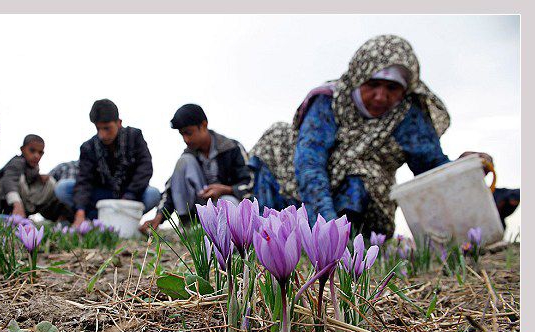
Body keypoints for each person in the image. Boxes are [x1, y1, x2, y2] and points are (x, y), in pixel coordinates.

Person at [250, 34, 518, 237]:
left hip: (362, 189)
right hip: (303, 181)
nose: (381, 96)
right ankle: (281, 237)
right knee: (279, 138)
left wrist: (463, 167)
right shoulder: (330, 101)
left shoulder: (407, 114)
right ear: (358, 78)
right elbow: (310, 164)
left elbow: (430, 167)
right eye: (373, 85)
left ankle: (353, 240)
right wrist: (326, 228)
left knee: (364, 173)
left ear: (405, 90)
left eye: (392, 88)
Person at [139, 104, 253, 233]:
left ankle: (227, 236)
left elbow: (249, 183)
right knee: (184, 161)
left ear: (203, 125)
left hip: (223, 204)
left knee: (229, 202)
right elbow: (172, 189)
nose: (186, 139)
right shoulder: (188, 155)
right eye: (182, 134)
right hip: (198, 210)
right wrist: (158, 217)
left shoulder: (232, 148)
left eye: (189, 133)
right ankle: (187, 225)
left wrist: (225, 189)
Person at [55, 99, 161, 227]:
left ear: (119, 123)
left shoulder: (134, 137)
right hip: (101, 197)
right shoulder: (88, 147)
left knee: (153, 194)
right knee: (63, 188)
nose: (102, 135)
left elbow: (145, 168)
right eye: (98, 128)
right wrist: (80, 211)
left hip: (129, 195)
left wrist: (129, 195)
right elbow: (84, 180)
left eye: (107, 128)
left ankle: (126, 220)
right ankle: (96, 221)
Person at [0, 134, 72, 221]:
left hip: (21, 205)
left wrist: (38, 178)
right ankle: (15, 212)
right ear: (22, 149)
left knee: (50, 182)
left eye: (40, 152)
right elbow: (9, 180)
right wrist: (17, 204)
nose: (36, 156)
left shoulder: (34, 168)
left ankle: (23, 215)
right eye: (32, 151)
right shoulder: (16, 162)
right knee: (18, 180)